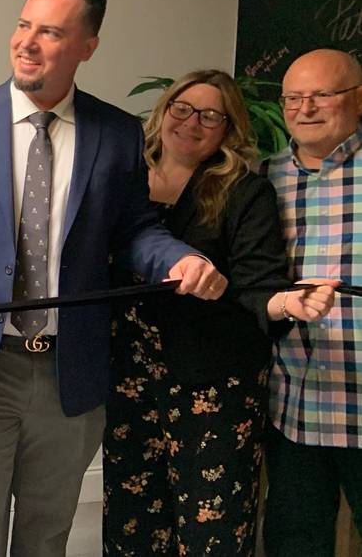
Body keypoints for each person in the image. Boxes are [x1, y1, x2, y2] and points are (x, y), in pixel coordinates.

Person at [0, 0, 227, 557]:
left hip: (70, 367)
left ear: (86, 46)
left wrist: (179, 258)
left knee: (47, 534)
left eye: (49, 32)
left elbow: (133, 232)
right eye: (23, 25)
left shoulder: (118, 133)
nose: (26, 42)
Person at [103, 70, 335, 555]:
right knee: (133, 522)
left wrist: (288, 302)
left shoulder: (243, 192)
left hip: (212, 383)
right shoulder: (122, 178)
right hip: (130, 377)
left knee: (212, 531)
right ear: (164, 111)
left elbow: (260, 284)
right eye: (182, 108)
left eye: (211, 116)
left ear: (229, 130)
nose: (192, 123)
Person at [260, 48, 362, 555]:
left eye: (322, 94)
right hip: (294, 401)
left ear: (357, 98)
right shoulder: (263, 177)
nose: (306, 108)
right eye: (294, 98)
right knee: (295, 542)